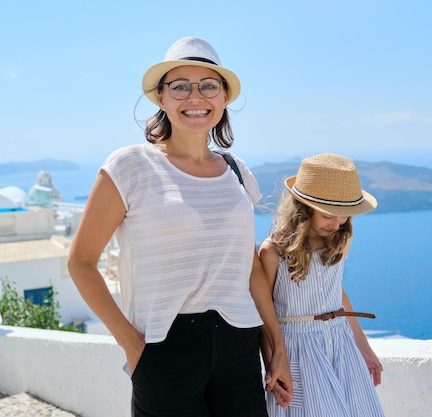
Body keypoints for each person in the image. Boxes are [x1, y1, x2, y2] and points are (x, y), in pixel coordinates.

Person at [68, 36, 292, 417]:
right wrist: (134, 347)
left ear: (224, 98)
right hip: (164, 350)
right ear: (161, 98)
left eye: (208, 85)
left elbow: (249, 266)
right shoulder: (129, 166)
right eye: (180, 87)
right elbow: (81, 262)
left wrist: (277, 347)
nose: (195, 97)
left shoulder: (236, 171)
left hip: (240, 345)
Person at [258, 153, 386, 417]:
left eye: (344, 216)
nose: (337, 224)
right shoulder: (273, 251)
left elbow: (336, 293)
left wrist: (364, 346)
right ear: (304, 209)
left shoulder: (338, 240)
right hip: (297, 351)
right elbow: (263, 312)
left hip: (340, 344)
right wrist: (272, 363)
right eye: (329, 215)